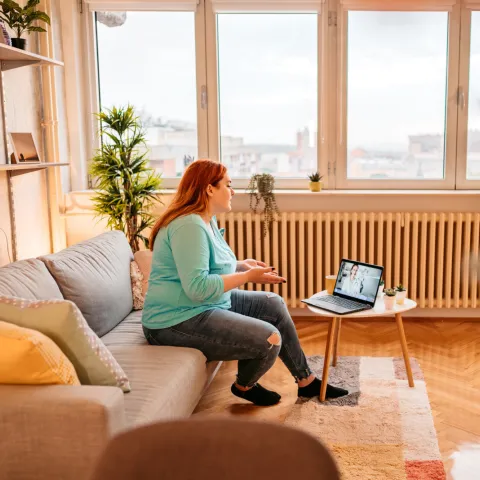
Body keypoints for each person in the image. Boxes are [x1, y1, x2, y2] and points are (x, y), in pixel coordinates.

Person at [142, 159, 348, 406]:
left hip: (204, 305)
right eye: (228, 185)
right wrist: (248, 277)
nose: (233, 191)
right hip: (174, 320)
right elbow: (197, 288)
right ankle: (244, 386)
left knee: (273, 303)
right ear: (209, 189)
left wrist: (242, 265)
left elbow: (206, 266)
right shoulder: (189, 225)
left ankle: (306, 381)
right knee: (269, 338)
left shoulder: (206, 220)